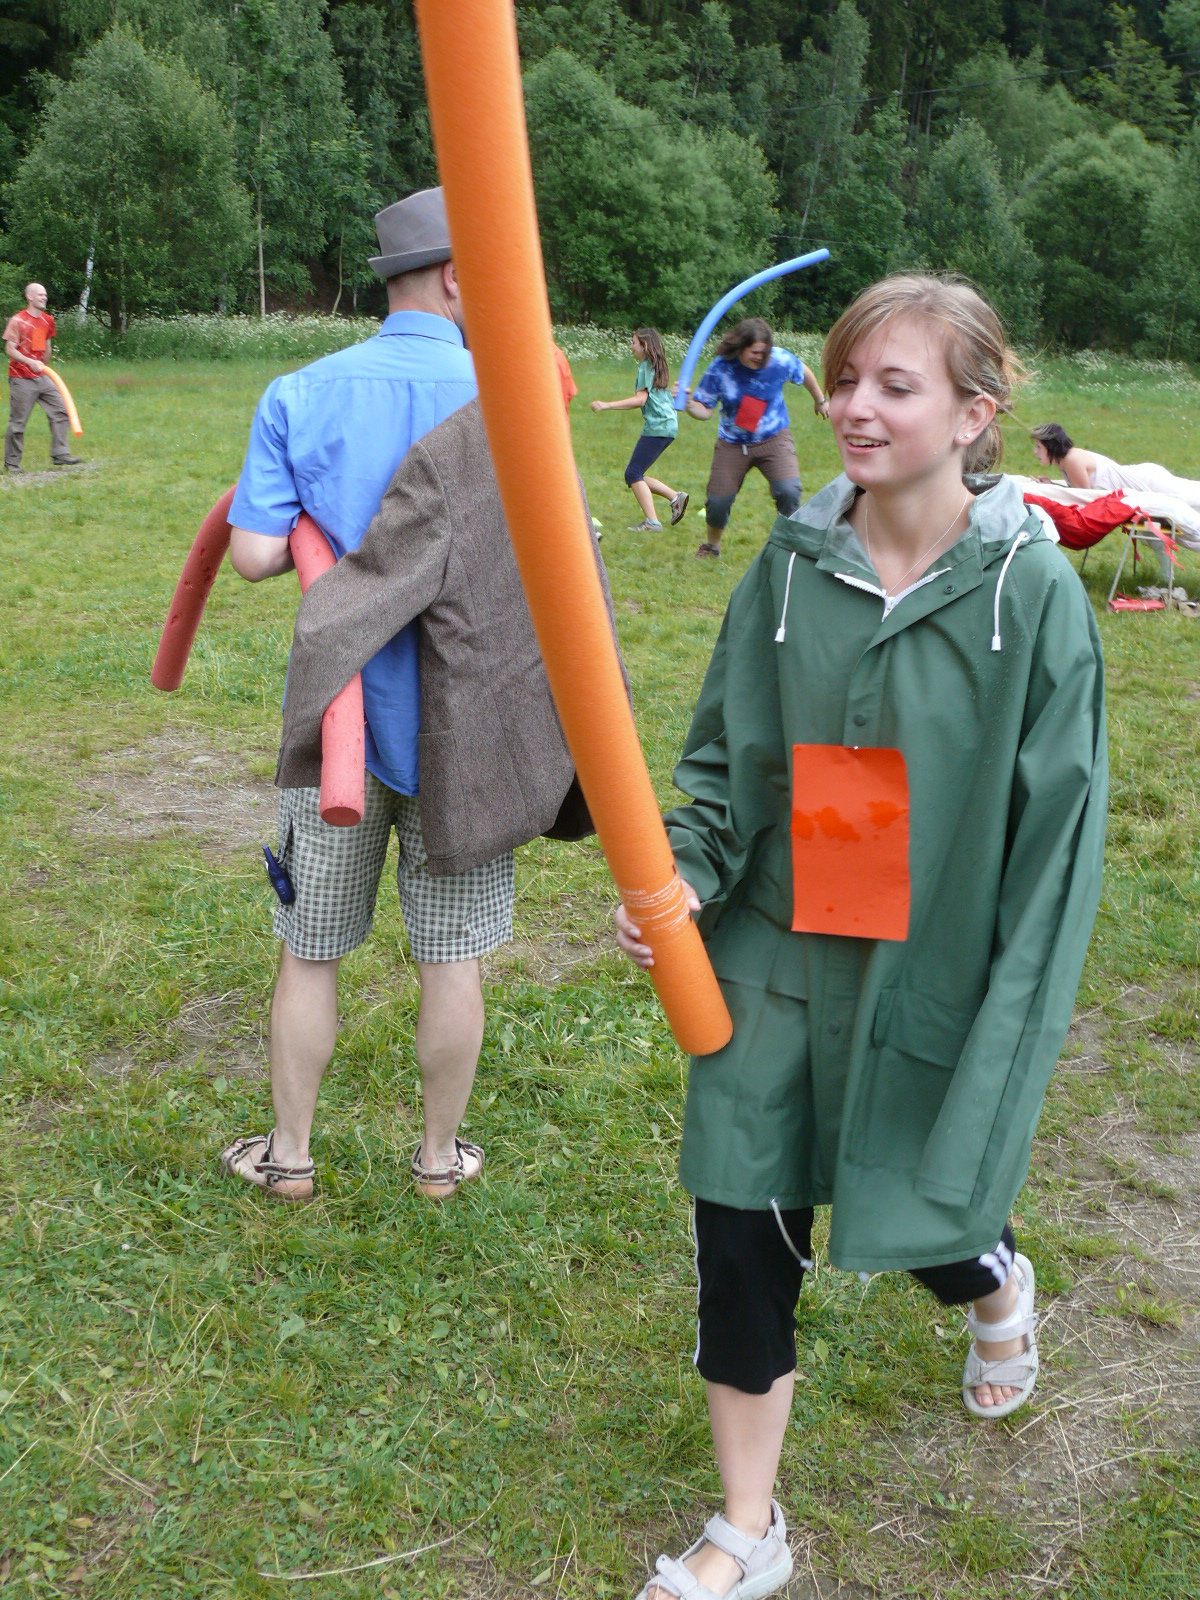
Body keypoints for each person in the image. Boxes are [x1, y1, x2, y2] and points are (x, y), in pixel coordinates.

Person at [616, 275, 1106, 1600]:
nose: (852, 407)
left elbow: (1056, 848)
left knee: (919, 1205)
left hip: (930, 958)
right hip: (779, 947)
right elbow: (724, 763)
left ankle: (993, 1285)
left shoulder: (1031, 594)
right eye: (843, 380)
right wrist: (686, 878)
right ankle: (748, 1526)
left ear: (975, 415)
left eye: (895, 385)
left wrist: (1006, 1019)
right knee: (742, 1220)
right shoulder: (793, 564)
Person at [219, 187, 492, 1203]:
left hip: (342, 724)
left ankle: (289, 1157)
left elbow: (252, 555)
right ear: (458, 277)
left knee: (311, 951)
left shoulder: (301, 389)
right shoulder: (508, 394)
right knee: (452, 955)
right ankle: (438, 1163)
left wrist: (309, 529)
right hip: (467, 727)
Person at [684, 316, 829, 558]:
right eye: (754, 352)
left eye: (764, 352)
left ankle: (787, 548)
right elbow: (704, 410)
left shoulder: (778, 360)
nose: (760, 357)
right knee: (718, 501)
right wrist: (690, 404)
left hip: (774, 438)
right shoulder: (721, 368)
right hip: (732, 443)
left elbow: (803, 371)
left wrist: (820, 400)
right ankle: (712, 546)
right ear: (740, 347)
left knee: (789, 491)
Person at [590, 327, 689, 531]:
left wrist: (607, 405)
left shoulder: (646, 366)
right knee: (636, 474)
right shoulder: (657, 365)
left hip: (658, 426)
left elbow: (640, 399)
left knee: (633, 473)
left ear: (644, 346)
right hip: (668, 425)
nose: (630, 346)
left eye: (633, 342)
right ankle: (675, 497)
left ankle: (652, 522)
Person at [4, 282, 82, 472]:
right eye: (40, 294)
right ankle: (12, 463)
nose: (44, 297)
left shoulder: (47, 320)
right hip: (21, 377)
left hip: (42, 376)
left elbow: (45, 346)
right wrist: (29, 362)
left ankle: (60, 454)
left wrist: (44, 366)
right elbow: (10, 349)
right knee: (18, 422)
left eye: (45, 295)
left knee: (60, 411)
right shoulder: (18, 320)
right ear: (30, 297)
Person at [1031, 422, 1200, 510]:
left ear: (1051, 447)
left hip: (1148, 481)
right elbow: (1080, 492)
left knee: (1191, 499)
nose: (1035, 451)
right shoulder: (1067, 460)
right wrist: (1052, 485)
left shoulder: (1072, 461)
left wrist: (1051, 489)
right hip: (1143, 475)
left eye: (1039, 447)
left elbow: (1084, 498)